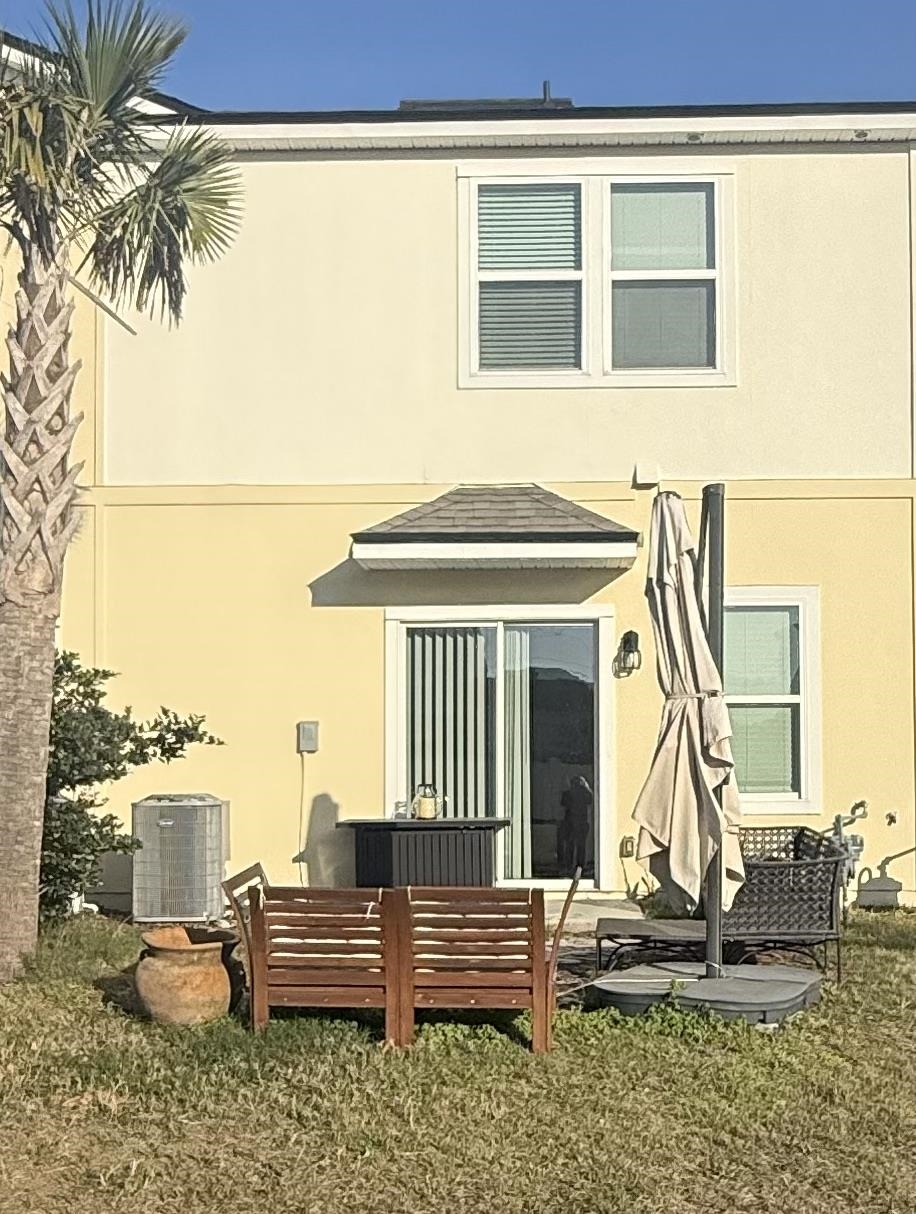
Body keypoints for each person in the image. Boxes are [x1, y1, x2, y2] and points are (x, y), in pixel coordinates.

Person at [559, 775, 593, 875]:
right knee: (578, 846)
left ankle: (572, 866)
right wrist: (587, 786)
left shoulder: (568, 794)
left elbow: (563, 804)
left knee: (572, 845)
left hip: (573, 823)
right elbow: (591, 799)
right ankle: (578, 867)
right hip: (577, 823)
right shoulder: (583, 794)